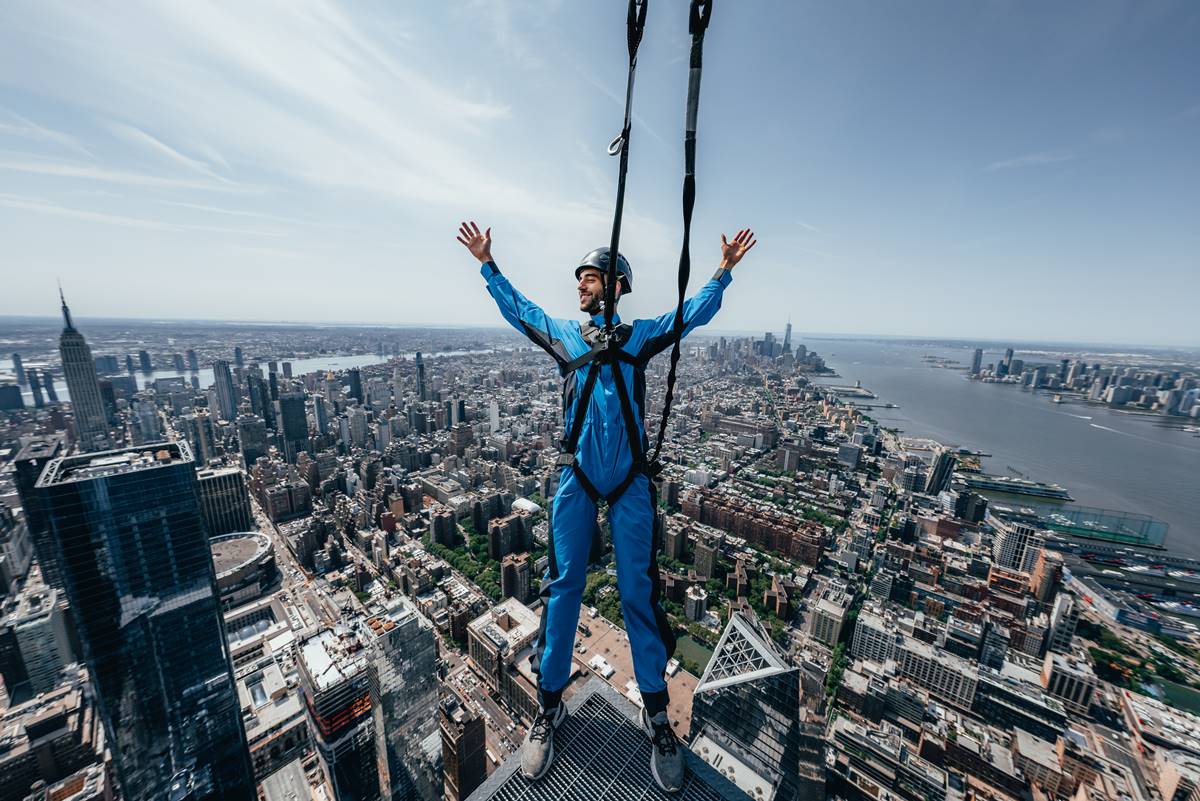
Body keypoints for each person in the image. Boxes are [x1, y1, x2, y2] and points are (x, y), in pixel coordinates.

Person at [455, 220, 756, 793]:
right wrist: (488, 266)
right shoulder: (570, 338)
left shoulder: (638, 338)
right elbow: (523, 313)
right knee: (563, 588)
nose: (580, 287)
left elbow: (687, 316)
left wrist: (723, 272)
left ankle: (658, 718)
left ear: (615, 284)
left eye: (589, 278)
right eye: (580, 280)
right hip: (578, 478)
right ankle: (548, 708)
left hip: (630, 484)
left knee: (638, 595)